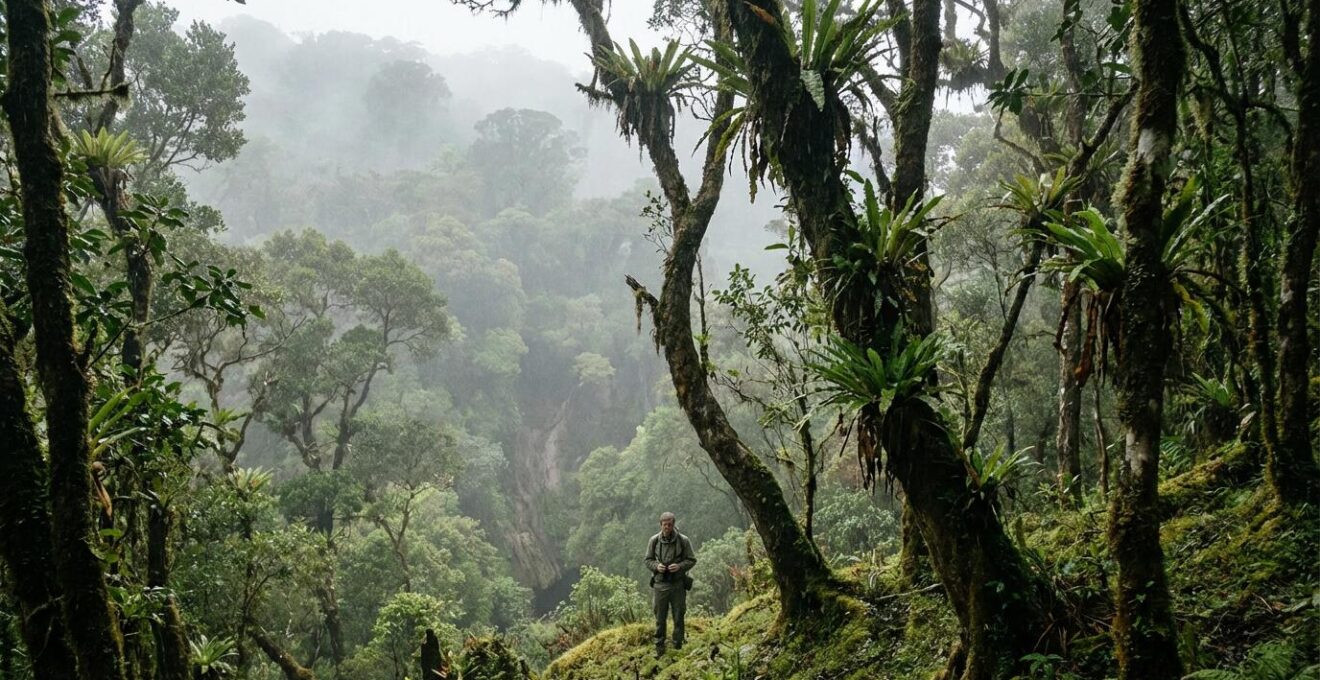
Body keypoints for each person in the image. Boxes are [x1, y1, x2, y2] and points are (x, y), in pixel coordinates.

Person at [644, 511, 696, 657]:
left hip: (678, 584)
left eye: (670, 524)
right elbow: (648, 560)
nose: (667, 527)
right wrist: (656, 566)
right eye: (665, 525)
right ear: (660, 525)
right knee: (660, 617)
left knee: (679, 615)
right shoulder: (654, 540)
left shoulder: (683, 540)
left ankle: (678, 645)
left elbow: (692, 560)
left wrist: (679, 566)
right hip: (660, 585)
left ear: (674, 524)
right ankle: (659, 647)